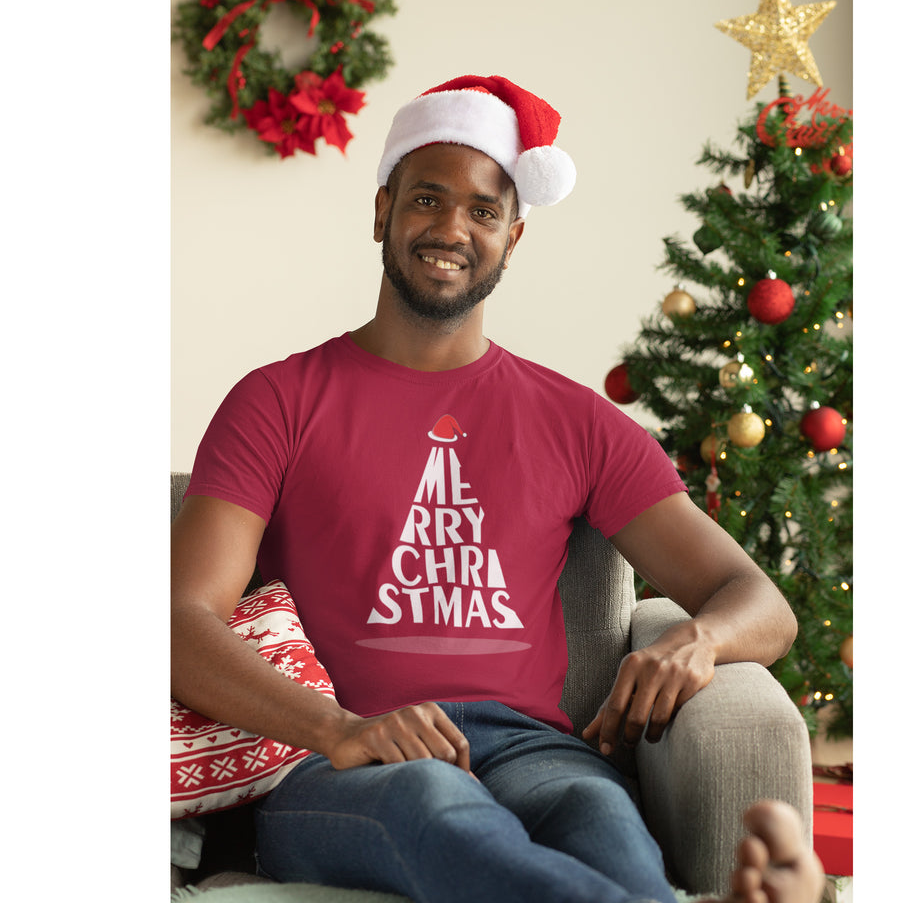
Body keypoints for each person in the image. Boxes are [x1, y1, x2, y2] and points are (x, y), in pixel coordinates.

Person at [171, 75, 800, 903]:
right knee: (436, 809)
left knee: (605, 825)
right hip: (342, 761)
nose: (451, 229)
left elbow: (762, 603)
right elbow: (179, 621)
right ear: (382, 212)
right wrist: (338, 728)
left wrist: (701, 639)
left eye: (483, 211)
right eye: (426, 199)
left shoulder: (578, 421)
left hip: (533, 750)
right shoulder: (277, 401)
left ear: (513, 237)